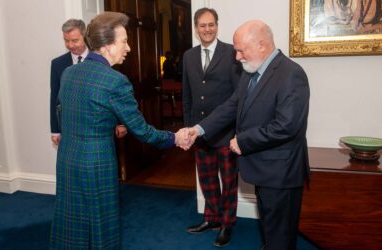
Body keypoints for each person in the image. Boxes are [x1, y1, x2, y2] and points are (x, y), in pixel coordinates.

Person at [49, 12, 189, 249]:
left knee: (71, 222)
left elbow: (70, 113)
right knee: (102, 225)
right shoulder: (115, 81)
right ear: (107, 45)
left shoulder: (69, 73)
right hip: (97, 163)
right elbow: (142, 131)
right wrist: (174, 137)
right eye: (124, 41)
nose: (129, 47)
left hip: (67, 158)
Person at [187, 20, 310, 250]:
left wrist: (243, 140)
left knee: (280, 234)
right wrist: (198, 129)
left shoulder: (291, 74)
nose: (237, 57)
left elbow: (287, 126)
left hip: (281, 173)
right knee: (270, 229)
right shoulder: (251, 71)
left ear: (262, 45)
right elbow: (231, 106)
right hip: (264, 169)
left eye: (241, 50)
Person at [182, 8, 242, 248]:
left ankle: (227, 223)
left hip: (226, 132)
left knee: (228, 182)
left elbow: (239, 96)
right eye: (202, 25)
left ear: (217, 25)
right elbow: (187, 94)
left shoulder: (231, 53)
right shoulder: (188, 56)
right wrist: (189, 129)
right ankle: (212, 218)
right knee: (207, 181)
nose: (207, 29)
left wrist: (238, 130)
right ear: (196, 28)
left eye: (211, 25)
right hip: (200, 132)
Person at [49, 18, 127, 145]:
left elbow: (114, 95)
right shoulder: (58, 64)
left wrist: (120, 122)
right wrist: (55, 130)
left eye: (74, 40)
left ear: (85, 37)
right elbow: (54, 98)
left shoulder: (104, 57)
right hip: (70, 128)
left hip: (98, 130)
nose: (70, 45)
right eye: (66, 40)